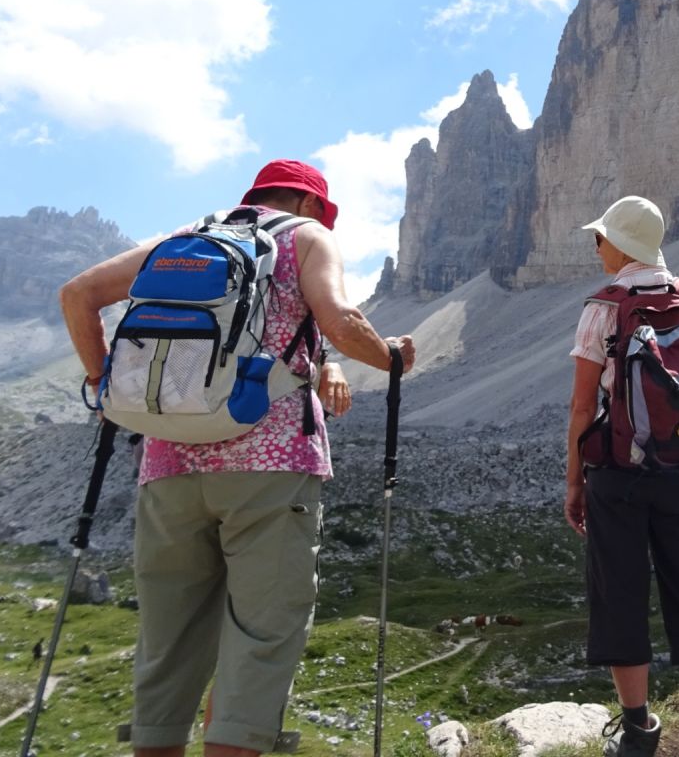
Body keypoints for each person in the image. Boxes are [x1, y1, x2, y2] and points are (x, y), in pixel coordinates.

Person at [60, 159, 414, 757]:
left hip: (168, 466)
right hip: (268, 466)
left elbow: (77, 294)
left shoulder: (187, 238)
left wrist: (101, 385)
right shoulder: (306, 236)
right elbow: (341, 320)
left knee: (168, 641)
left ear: (257, 196)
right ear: (311, 204)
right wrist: (393, 357)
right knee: (261, 636)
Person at [563, 196, 679, 757]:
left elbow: (582, 406)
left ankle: (638, 730)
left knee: (620, 593)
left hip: (618, 474)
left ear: (621, 245)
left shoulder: (604, 308)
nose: (597, 246)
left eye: (601, 237)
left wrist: (574, 482)